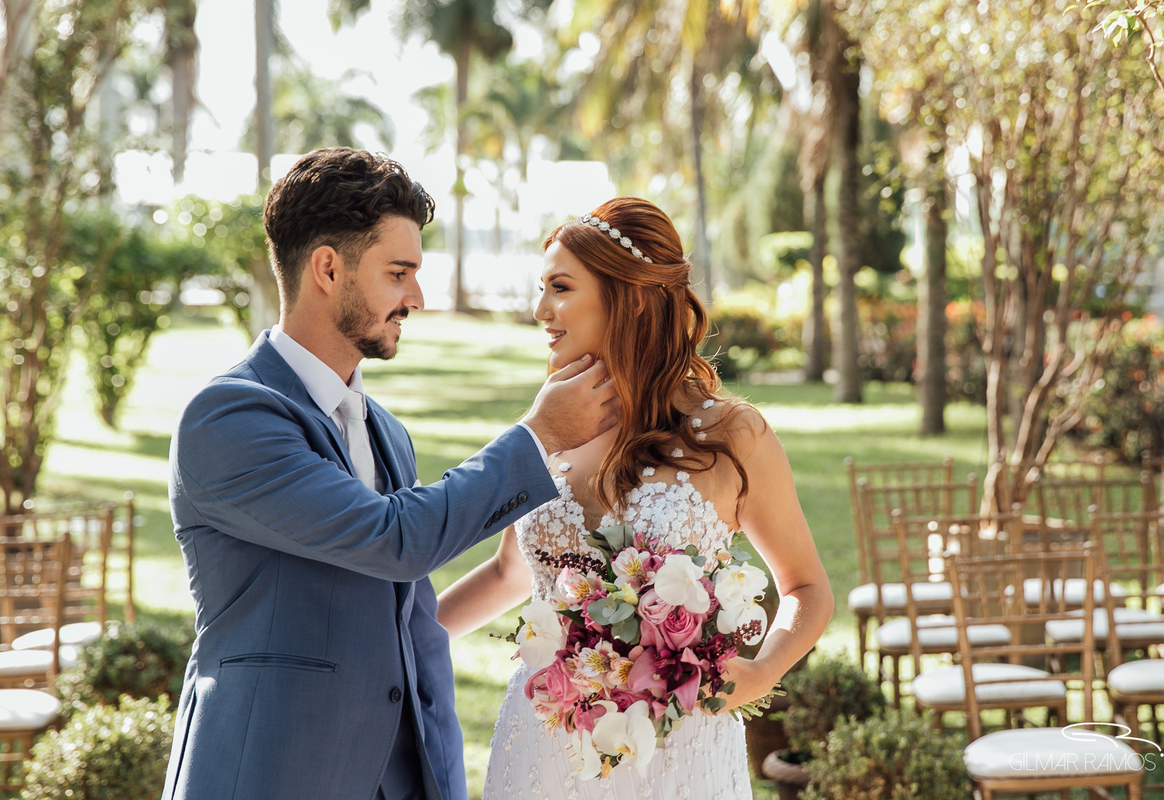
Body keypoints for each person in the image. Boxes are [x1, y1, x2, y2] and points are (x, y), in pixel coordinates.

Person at [162, 147, 619, 800]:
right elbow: (394, 541)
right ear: (328, 268)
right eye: (398, 272)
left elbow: (410, 621)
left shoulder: (388, 433)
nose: (417, 297)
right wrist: (539, 436)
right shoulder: (228, 418)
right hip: (269, 775)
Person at [436, 197, 835, 798]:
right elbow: (506, 576)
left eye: (560, 287)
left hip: (680, 753)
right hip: (547, 740)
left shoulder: (732, 434)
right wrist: (401, 640)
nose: (540, 309)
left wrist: (761, 672)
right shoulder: (546, 428)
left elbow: (807, 587)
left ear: (632, 297)